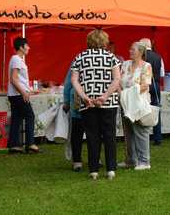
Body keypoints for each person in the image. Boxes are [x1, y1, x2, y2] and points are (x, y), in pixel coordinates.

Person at [71, 29, 121, 180]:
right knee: (109, 135)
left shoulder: (79, 57)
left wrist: (84, 96)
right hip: (108, 102)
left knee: (92, 136)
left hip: (88, 103)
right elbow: (117, 79)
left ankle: (93, 170)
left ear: (89, 41)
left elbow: (74, 80)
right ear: (104, 42)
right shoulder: (111, 57)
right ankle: (111, 169)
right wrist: (105, 96)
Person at [119, 42, 153, 170]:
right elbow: (119, 81)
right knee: (128, 132)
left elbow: (145, 85)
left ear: (140, 52)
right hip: (125, 103)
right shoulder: (126, 64)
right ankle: (131, 160)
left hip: (139, 103)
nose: (130, 51)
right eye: (130, 48)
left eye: (133, 49)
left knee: (140, 131)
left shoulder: (146, 66)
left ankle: (144, 161)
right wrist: (122, 95)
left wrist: (129, 93)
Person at [7, 37, 40, 153]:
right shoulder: (16, 59)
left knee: (17, 118)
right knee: (30, 115)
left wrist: (29, 90)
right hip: (17, 94)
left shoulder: (17, 59)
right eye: (27, 45)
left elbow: (19, 80)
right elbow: (14, 79)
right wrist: (23, 92)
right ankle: (30, 144)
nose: (29, 48)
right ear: (21, 47)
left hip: (15, 94)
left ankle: (14, 145)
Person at [139, 37, 164, 145]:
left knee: (142, 109)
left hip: (144, 85)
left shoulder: (141, 57)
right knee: (156, 110)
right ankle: (157, 137)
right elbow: (162, 73)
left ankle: (143, 136)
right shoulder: (159, 57)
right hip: (156, 85)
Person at [63, 68, 84, 172]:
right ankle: (77, 160)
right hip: (77, 101)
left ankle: (93, 159)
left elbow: (68, 83)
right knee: (77, 133)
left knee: (92, 133)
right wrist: (66, 100)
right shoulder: (77, 60)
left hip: (91, 100)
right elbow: (68, 82)